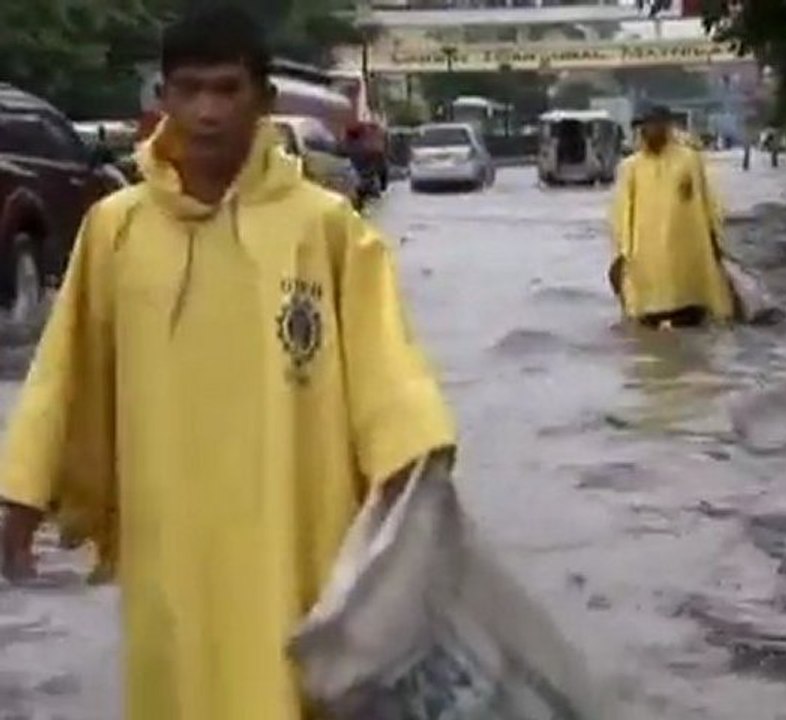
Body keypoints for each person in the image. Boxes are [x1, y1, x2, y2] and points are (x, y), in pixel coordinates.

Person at [0, 5, 455, 720]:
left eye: (226, 89)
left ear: (264, 99)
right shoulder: (116, 228)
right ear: (162, 98)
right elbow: (63, 368)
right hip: (169, 537)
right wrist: (22, 492)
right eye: (188, 90)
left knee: (292, 686)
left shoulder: (324, 227)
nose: (206, 111)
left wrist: (413, 477)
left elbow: (386, 368)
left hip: (297, 526)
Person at [609, 105, 734, 328]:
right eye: (647, 126)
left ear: (668, 127)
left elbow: (708, 202)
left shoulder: (689, 161)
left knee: (690, 317)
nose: (652, 131)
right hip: (646, 259)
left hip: (687, 256)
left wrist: (715, 238)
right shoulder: (631, 167)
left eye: (658, 125)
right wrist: (621, 254)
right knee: (647, 326)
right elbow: (622, 212)